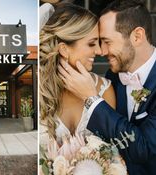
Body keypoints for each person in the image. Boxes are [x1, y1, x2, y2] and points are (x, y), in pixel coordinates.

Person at [58, 0, 156, 174]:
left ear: (137, 36)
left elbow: (145, 148)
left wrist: (92, 98)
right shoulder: (113, 77)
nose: (101, 51)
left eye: (106, 41)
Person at [39, 2, 116, 148]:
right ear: (64, 49)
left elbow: (114, 146)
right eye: (92, 44)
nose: (100, 51)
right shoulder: (40, 88)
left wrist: (92, 97)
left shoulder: (105, 89)